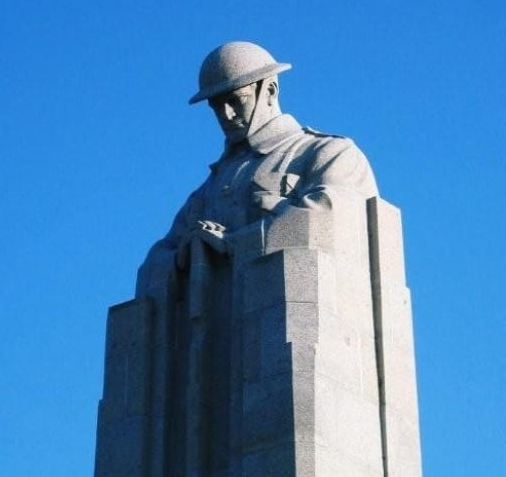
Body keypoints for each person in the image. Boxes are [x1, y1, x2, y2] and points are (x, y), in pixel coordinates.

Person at [137, 41, 378, 294]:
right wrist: (186, 253)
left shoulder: (328, 153)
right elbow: (156, 260)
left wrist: (235, 244)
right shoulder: (207, 191)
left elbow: (329, 220)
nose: (226, 115)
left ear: (270, 91)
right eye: (217, 106)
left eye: (235, 101)